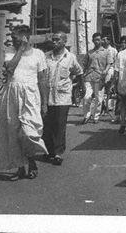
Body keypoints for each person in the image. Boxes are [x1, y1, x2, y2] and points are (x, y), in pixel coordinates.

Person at [0, 25, 49, 180]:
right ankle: (20, 167)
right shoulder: (9, 51)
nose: (12, 40)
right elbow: (10, 68)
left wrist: (44, 103)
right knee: (13, 132)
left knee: (29, 132)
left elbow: (42, 79)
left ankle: (31, 161)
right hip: (12, 93)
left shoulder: (39, 54)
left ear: (25, 37)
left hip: (31, 94)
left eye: (15, 38)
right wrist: (20, 49)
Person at [42, 32, 83, 165]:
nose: (54, 42)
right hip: (47, 97)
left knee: (59, 125)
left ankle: (58, 153)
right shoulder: (46, 56)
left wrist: (80, 87)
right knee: (47, 125)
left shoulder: (70, 57)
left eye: (57, 40)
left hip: (63, 97)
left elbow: (79, 72)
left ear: (64, 42)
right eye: (53, 40)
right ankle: (49, 151)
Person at [82, 32, 112, 124]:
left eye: (98, 40)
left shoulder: (106, 52)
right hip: (89, 77)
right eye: (95, 40)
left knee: (98, 98)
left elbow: (109, 63)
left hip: (100, 77)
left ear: (101, 40)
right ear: (92, 40)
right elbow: (84, 64)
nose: (97, 41)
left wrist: (105, 71)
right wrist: (82, 74)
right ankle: (86, 116)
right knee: (86, 97)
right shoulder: (89, 52)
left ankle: (95, 116)